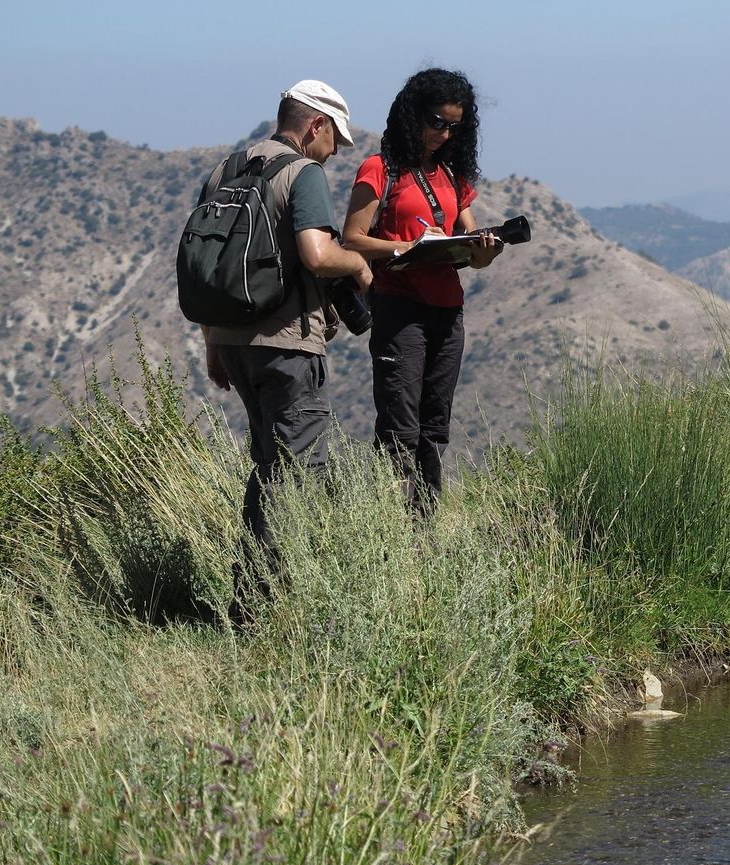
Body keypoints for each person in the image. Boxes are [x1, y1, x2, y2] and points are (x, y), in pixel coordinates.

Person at [199, 79, 372, 546]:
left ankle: (253, 592)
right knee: (297, 473)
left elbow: (206, 267)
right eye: (335, 137)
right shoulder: (302, 173)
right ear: (316, 124)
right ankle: (266, 598)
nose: (334, 151)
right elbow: (317, 255)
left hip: (234, 343)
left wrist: (213, 343)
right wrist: (356, 262)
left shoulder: (225, 170)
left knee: (271, 464)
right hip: (286, 347)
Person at [342, 68, 502, 514]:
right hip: (399, 309)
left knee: (435, 429)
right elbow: (351, 238)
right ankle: (388, 531)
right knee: (399, 430)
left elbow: (471, 247)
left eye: (454, 126)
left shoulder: (451, 175)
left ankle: (423, 532)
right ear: (413, 115)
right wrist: (408, 246)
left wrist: (486, 248)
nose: (444, 134)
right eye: (437, 122)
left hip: (448, 312)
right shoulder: (380, 168)